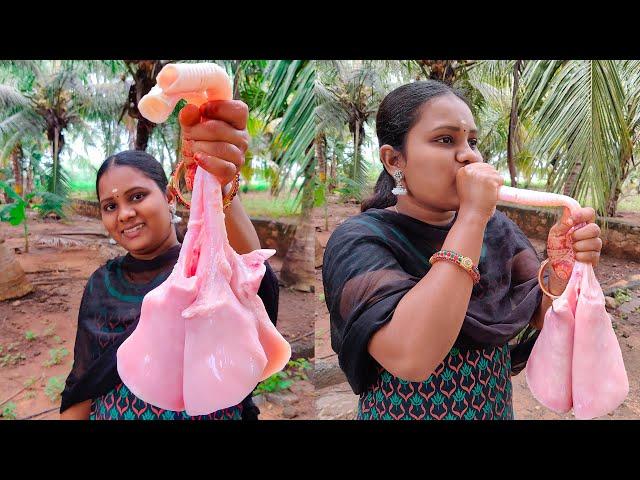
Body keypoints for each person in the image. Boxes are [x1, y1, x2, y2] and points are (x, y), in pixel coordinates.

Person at [322, 80, 603, 420]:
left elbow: (539, 312)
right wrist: (470, 217)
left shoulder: (497, 229)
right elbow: (413, 356)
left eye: (472, 141)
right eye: (445, 139)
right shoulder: (360, 239)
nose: (469, 155)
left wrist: (563, 268)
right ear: (394, 159)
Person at [59, 100, 279, 420]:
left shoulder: (207, 268)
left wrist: (219, 183)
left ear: (168, 195)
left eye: (137, 196)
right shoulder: (102, 284)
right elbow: (83, 382)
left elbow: (248, 271)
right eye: (110, 206)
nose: (125, 214)